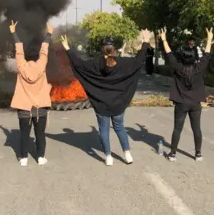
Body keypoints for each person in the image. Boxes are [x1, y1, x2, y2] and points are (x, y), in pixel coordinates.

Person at [60, 30, 151, 166]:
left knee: (103, 129)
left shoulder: (94, 64)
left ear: (102, 49)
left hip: (101, 105)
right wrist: (145, 41)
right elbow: (139, 60)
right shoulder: (124, 63)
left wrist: (67, 47)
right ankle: (127, 154)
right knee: (119, 127)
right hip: (118, 104)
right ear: (115, 49)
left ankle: (108, 157)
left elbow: (78, 63)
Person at [159, 27, 213, 162]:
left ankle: (173, 154)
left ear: (182, 57)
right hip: (195, 103)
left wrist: (164, 39)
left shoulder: (178, 68)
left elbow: (169, 54)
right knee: (197, 128)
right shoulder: (199, 68)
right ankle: (198, 154)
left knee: (177, 128)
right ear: (194, 57)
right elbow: (207, 54)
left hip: (181, 103)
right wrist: (210, 39)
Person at [9, 20, 53, 167]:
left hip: (23, 108)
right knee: (40, 133)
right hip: (40, 107)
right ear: (37, 57)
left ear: (27, 57)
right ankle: (40, 157)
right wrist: (49, 34)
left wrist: (13, 32)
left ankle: (23, 158)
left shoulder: (21, 65)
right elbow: (44, 50)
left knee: (24, 134)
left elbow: (19, 50)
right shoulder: (42, 64)